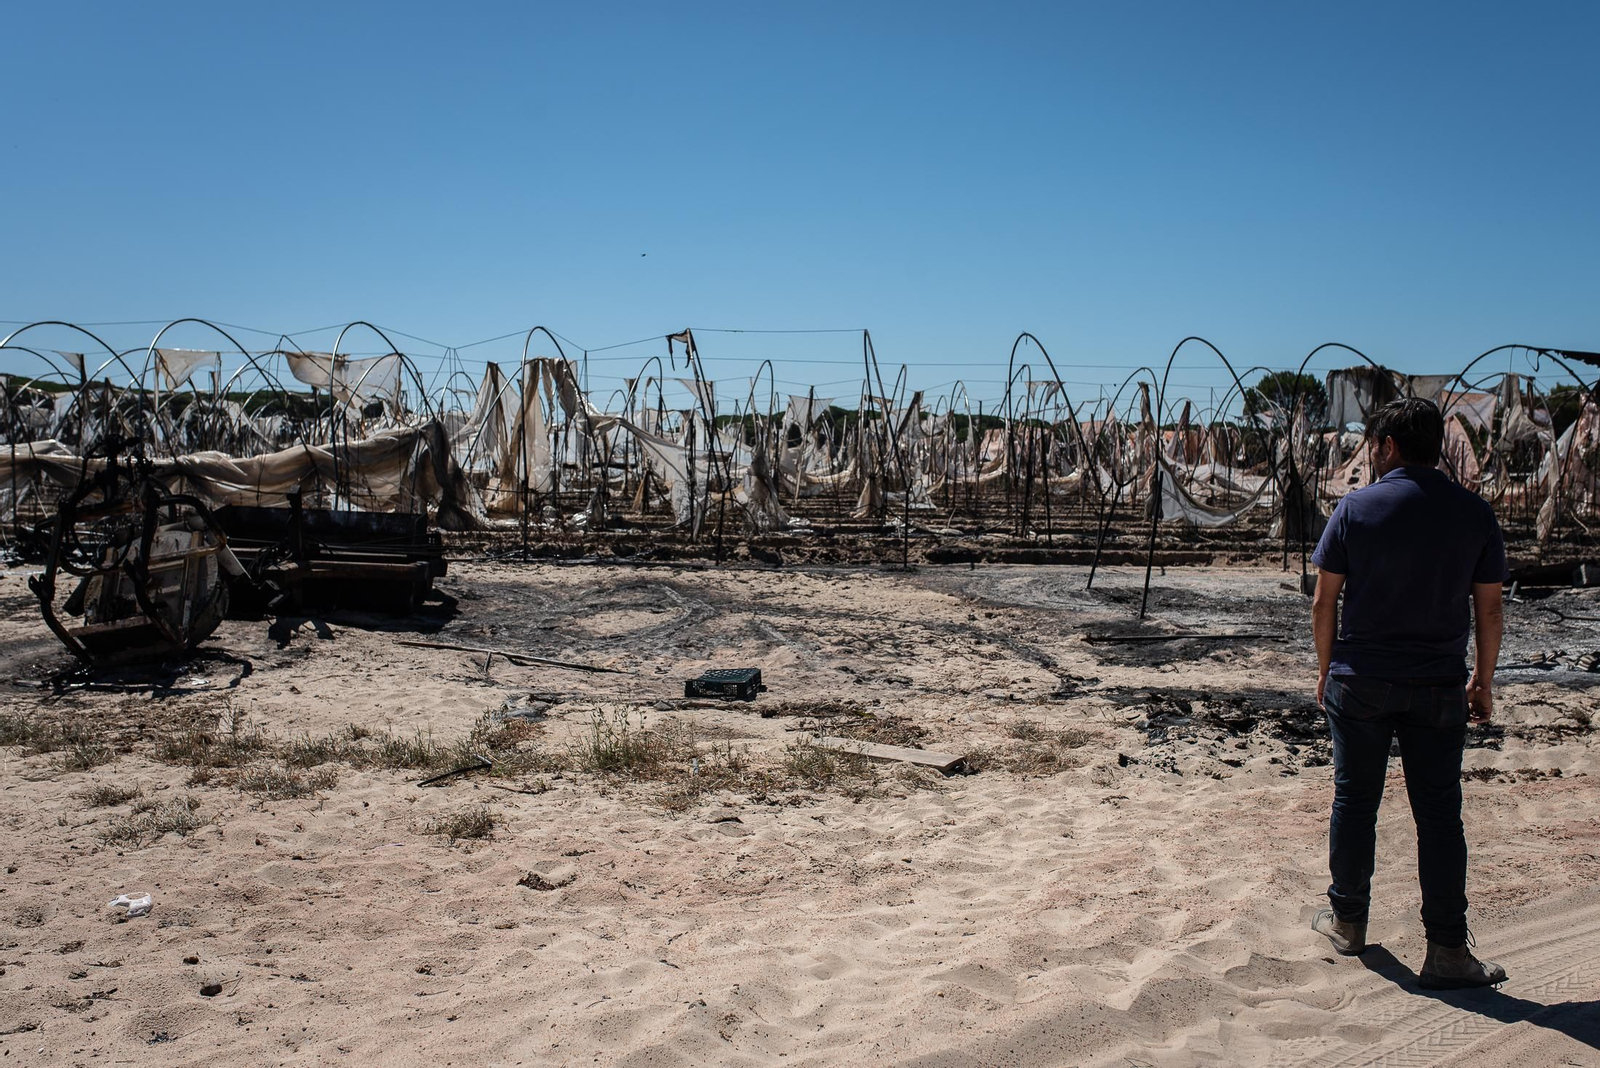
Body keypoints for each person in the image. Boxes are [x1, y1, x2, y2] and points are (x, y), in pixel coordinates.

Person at [1309, 397, 1508, 989]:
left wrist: (1326, 670)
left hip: (1360, 681)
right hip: (1439, 686)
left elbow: (1324, 601)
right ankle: (1446, 950)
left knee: (1355, 801)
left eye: (1374, 444)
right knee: (1440, 814)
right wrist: (1483, 681)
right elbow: (1489, 609)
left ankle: (1348, 922)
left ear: (1389, 445)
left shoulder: (1355, 508)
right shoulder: (1474, 514)